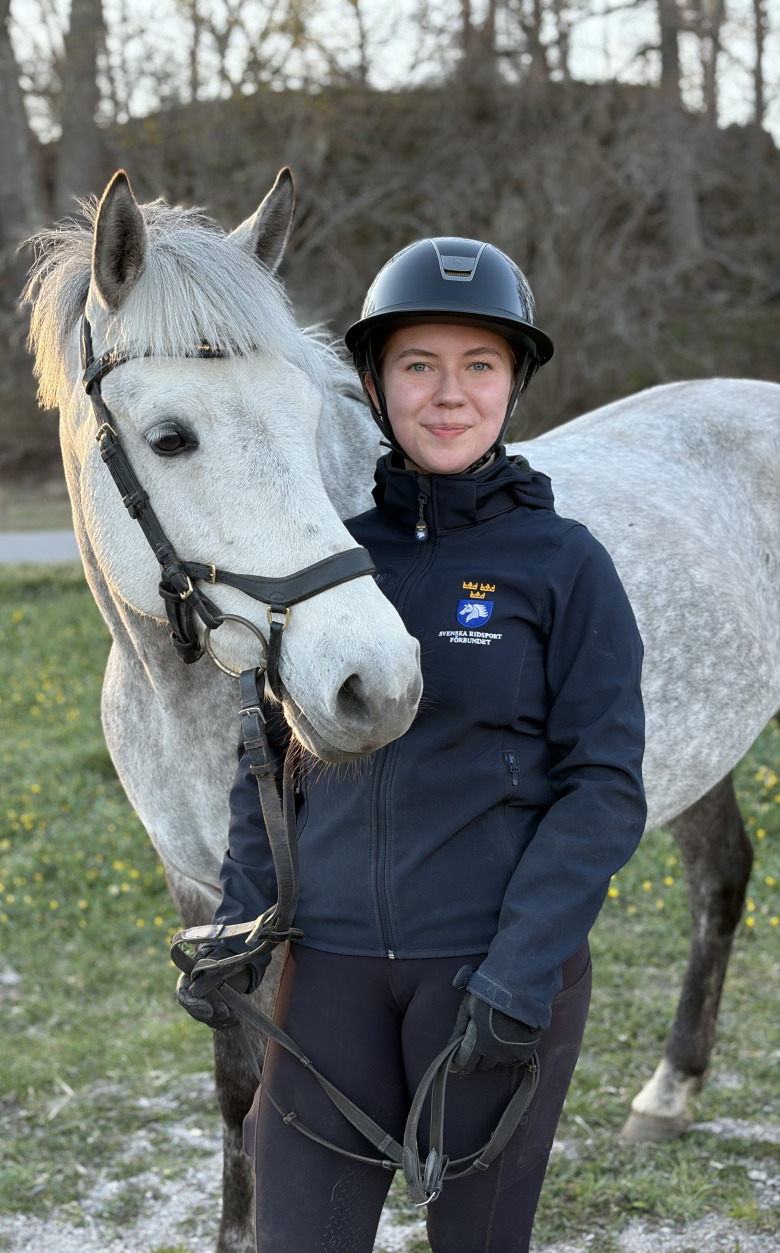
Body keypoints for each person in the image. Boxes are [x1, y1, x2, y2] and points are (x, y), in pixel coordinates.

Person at [177, 237, 647, 1253]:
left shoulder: (566, 564)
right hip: (329, 977)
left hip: (486, 977)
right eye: (417, 365)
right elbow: (270, 762)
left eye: (478, 364)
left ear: (513, 383)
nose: (448, 394)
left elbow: (603, 785)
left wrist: (518, 973)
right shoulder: (326, 562)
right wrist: (238, 924)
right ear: (375, 383)